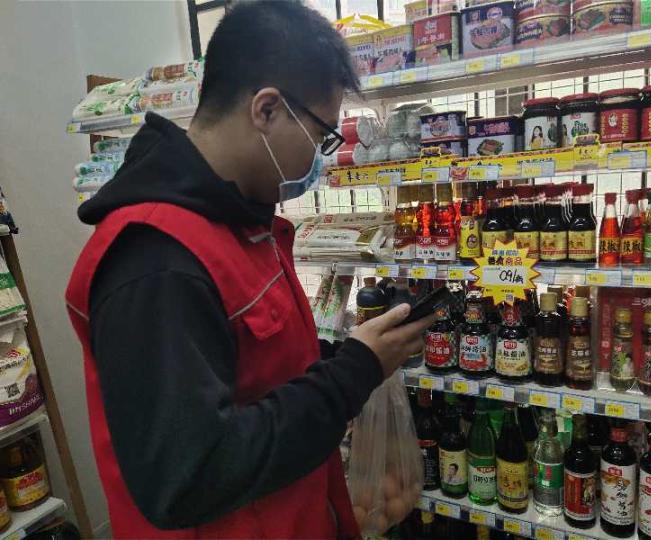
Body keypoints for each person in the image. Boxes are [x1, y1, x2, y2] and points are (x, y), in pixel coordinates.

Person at [65, 2, 435, 539]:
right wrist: (350, 376)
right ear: (266, 110)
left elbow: (253, 368)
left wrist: (348, 354)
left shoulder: (239, 222)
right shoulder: (156, 259)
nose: (320, 159)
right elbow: (187, 476)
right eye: (321, 137)